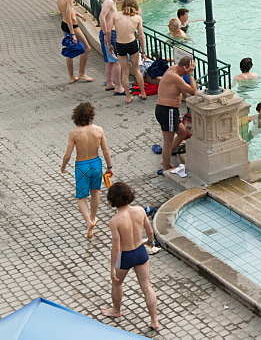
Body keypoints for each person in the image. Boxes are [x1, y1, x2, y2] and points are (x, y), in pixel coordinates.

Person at [100, 181, 160, 331]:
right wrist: (150, 243)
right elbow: (150, 231)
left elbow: (116, 246)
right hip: (140, 251)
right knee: (147, 286)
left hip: (125, 255)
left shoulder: (114, 221)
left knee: (117, 283)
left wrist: (112, 267)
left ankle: (116, 310)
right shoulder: (140, 210)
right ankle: (154, 321)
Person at [61, 102, 113, 240]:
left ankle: (88, 221)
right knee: (95, 192)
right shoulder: (99, 130)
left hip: (82, 165)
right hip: (96, 163)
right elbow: (106, 152)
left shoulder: (74, 133)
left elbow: (68, 154)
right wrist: (109, 167)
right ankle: (93, 217)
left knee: (81, 197)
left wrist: (63, 166)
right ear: (91, 115)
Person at [155, 57, 196, 174]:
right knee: (167, 141)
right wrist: (191, 75)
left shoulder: (173, 69)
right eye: (189, 69)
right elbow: (194, 90)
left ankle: (165, 160)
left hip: (169, 110)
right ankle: (166, 167)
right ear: (185, 68)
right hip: (167, 110)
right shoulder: (174, 76)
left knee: (183, 133)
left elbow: (182, 90)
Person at [58, 0, 94, 84]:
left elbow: (65, 11)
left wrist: (78, 14)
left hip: (64, 24)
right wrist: (73, 34)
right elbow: (69, 17)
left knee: (70, 51)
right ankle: (81, 73)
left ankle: (72, 77)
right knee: (87, 48)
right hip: (72, 26)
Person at [112, 0, 147, 104]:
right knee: (136, 70)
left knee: (125, 72)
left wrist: (109, 44)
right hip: (132, 44)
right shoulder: (137, 18)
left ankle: (128, 97)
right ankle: (143, 93)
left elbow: (109, 30)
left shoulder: (116, 15)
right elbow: (141, 36)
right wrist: (143, 52)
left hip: (120, 44)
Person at [99, 0, 129, 95]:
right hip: (109, 33)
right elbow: (101, 17)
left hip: (109, 32)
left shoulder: (112, 2)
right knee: (117, 61)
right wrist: (105, 33)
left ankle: (109, 83)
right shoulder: (109, 2)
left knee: (109, 60)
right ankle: (118, 86)